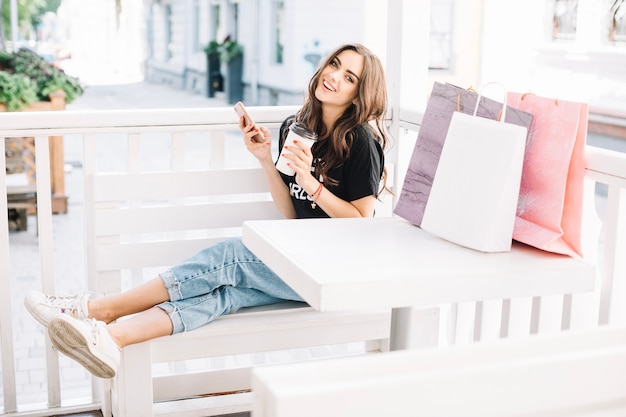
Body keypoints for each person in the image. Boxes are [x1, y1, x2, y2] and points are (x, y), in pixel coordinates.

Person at [24, 43, 389, 379]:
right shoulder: (296, 128)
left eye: (349, 77)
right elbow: (293, 215)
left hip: (333, 268)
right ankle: (111, 340)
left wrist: (312, 181)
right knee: (224, 295)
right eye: (335, 64)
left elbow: (361, 223)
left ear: (359, 93)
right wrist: (265, 160)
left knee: (230, 257)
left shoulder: (359, 141)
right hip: (298, 259)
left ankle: (97, 310)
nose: (334, 76)